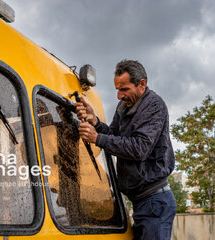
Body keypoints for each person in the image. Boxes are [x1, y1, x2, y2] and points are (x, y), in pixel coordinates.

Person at [75, 60, 177, 240]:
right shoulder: (123, 107)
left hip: (155, 203)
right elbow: (114, 135)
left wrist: (96, 137)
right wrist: (95, 122)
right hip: (140, 203)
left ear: (142, 84)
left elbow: (140, 148)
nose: (119, 95)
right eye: (117, 89)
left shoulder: (154, 106)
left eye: (124, 89)